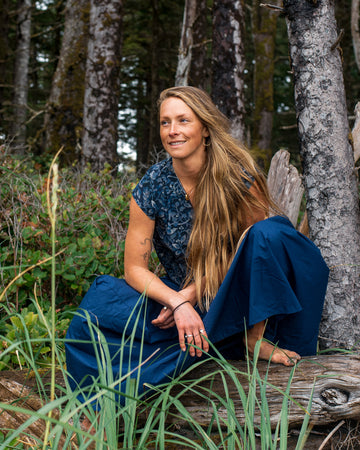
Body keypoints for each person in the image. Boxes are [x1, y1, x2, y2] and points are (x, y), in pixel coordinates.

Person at [65, 86, 329, 410]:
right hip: (188, 304)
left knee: (269, 233)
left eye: (183, 121)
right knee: (98, 306)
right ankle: (93, 410)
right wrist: (177, 302)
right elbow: (135, 268)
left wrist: (191, 295)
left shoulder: (238, 177)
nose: (172, 131)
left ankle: (252, 340)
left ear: (204, 128)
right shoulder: (152, 187)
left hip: (241, 299)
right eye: (165, 123)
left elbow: (254, 251)